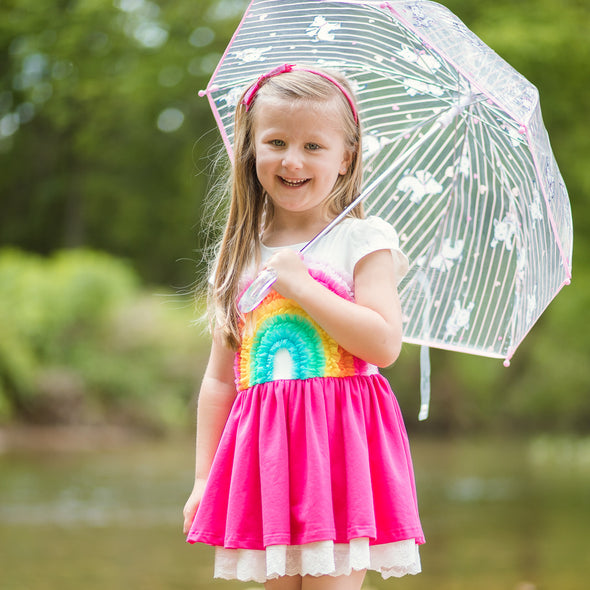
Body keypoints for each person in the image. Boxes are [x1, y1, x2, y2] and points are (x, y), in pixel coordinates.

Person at [183, 63, 424, 589]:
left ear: (347, 159)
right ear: (251, 149)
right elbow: (221, 379)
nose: (292, 160)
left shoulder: (363, 241)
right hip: (268, 456)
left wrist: (304, 286)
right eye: (276, 141)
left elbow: (383, 345)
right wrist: (204, 478)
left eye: (314, 146)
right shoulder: (240, 253)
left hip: (338, 449)